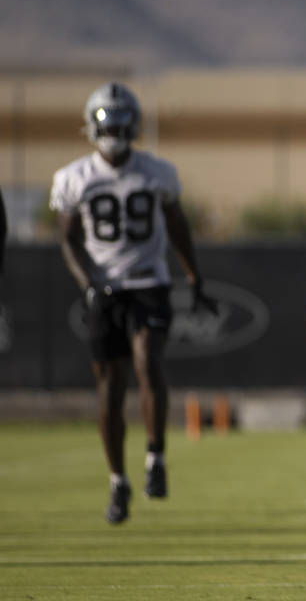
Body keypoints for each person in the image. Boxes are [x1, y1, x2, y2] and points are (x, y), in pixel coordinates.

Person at [49, 82, 217, 524]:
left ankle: (155, 456)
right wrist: (87, 283)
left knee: (148, 363)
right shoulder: (74, 178)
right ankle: (118, 481)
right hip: (105, 288)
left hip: (149, 281)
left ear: (134, 125)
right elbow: (67, 238)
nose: (115, 131)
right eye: (108, 122)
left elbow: (178, 226)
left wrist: (194, 275)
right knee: (110, 384)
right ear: (91, 126)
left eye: (122, 122)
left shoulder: (158, 172)